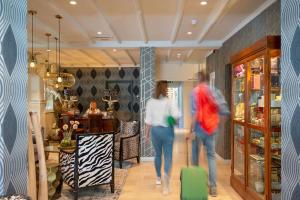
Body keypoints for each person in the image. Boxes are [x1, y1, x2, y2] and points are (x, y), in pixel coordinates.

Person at [188, 71, 229, 197]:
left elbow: (195, 114)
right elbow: (225, 111)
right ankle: (213, 187)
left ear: (199, 79)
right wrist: (218, 124)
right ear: (207, 79)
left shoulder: (194, 92)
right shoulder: (215, 91)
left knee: (195, 156)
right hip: (212, 129)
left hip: (199, 129)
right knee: (211, 157)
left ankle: (196, 183)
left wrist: (190, 130)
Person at [145, 80, 180, 195]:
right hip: (167, 131)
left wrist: (146, 135)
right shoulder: (170, 101)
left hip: (155, 131)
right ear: (165, 89)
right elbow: (176, 116)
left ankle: (158, 178)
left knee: (158, 154)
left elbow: (148, 121)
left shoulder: (150, 102)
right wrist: (171, 119)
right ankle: (166, 179)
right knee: (168, 155)